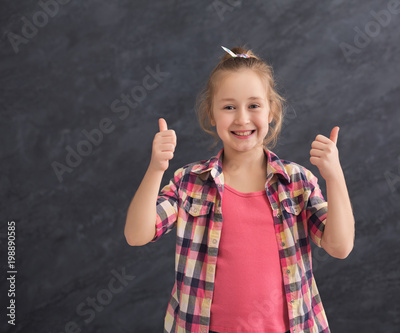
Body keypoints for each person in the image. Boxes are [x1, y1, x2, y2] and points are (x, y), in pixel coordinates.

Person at [124, 46, 355, 333]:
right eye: (229, 107)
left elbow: (340, 246)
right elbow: (136, 235)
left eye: (254, 106)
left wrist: (334, 175)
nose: (242, 119)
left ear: (272, 111)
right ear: (212, 114)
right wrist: (156, 168)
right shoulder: (190, 181)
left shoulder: (297, 181)